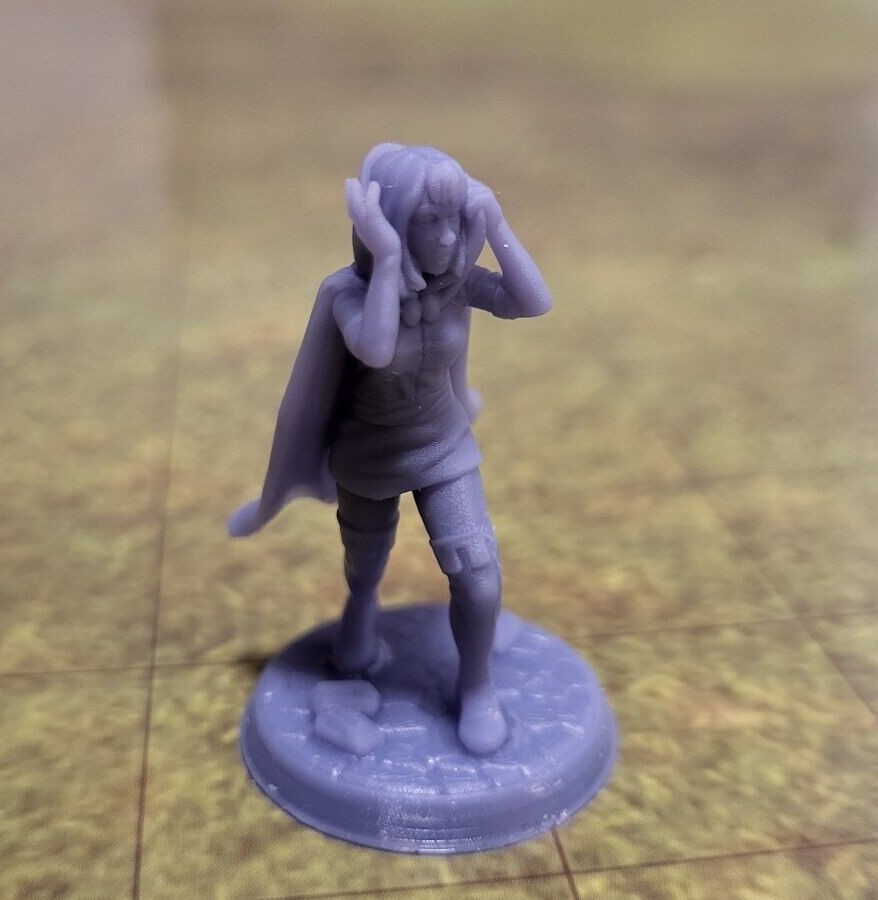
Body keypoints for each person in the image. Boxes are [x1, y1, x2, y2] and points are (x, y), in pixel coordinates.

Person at [229, 144, 552, 753]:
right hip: (369, 454)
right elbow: (376, 348)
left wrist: (496, 221)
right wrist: (384, 256)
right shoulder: (347, 293)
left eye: (455, 219)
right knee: (366, 561)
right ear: (396, 221)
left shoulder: (457, 286)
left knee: (479, 577)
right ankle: (359, 616)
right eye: (431, 220)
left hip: (445, 447)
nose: (449, 237)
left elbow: (534, 301)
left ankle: (476, 687)